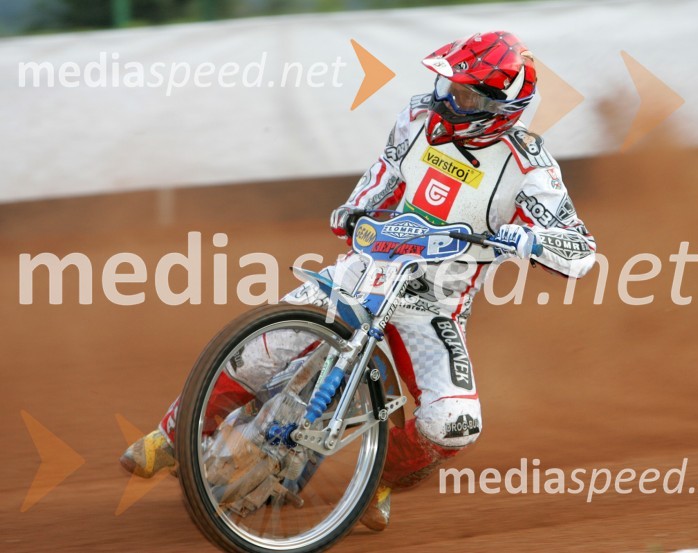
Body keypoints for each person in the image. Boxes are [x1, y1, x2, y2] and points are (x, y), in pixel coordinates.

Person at [120, 30, 597, 531]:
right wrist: (356, 208)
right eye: (449, 85)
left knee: (454, 425)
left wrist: (529, 241)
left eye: (465, 94)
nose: (448, 98)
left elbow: (581, 249)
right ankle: (169, 438)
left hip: (432, 306)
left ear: (502, 107)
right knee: (264, 347)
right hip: (366, 268)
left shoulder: (530, 166)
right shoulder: (417, 116)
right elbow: (385, 172)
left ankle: (376, 478)